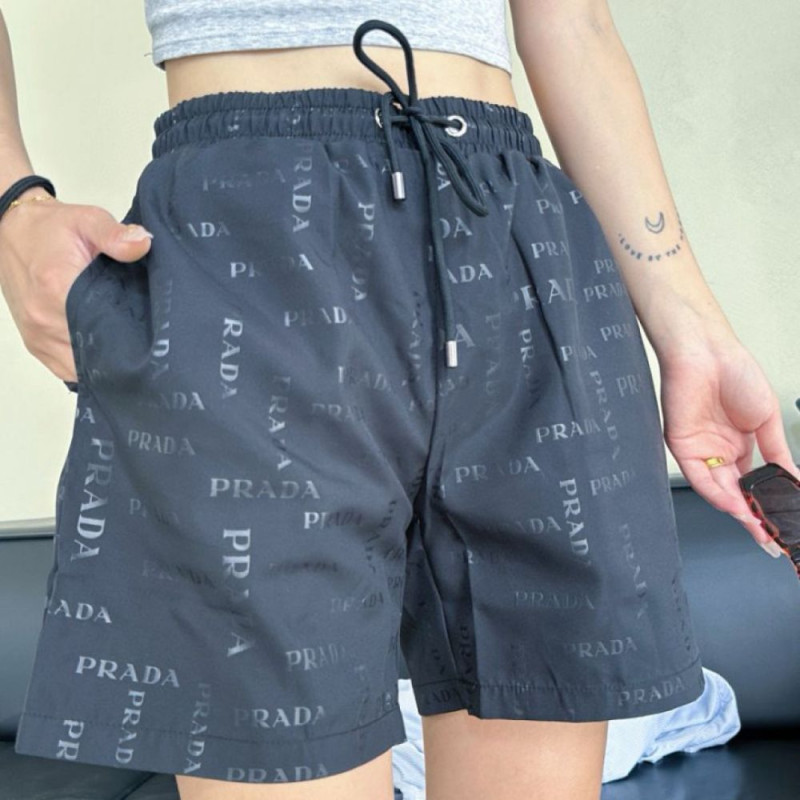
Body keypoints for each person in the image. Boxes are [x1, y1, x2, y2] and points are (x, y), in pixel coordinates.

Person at [1, 2, 796, 799]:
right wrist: (13, 207)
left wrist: (693, 333)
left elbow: (576, 22)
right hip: (250, 241)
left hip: (520, 242)